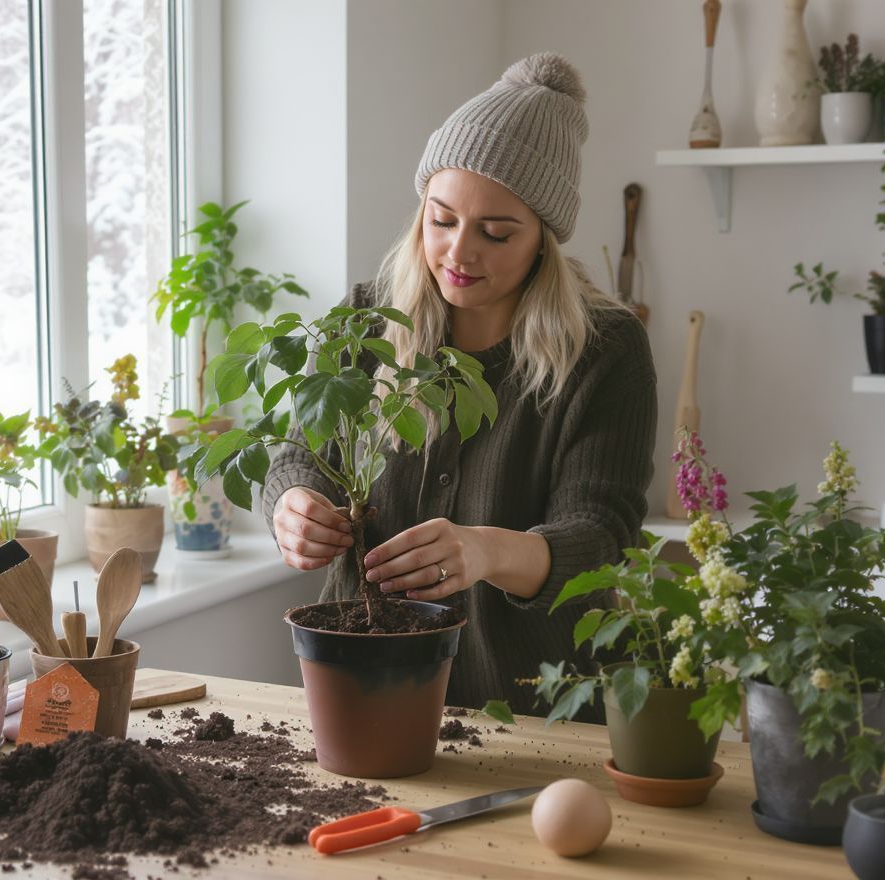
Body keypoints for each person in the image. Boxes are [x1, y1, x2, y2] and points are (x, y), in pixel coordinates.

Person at [261, 52, 656, 723]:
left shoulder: (605, 350)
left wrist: (485, 550)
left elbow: (601, 538)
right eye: (441, 220)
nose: (458, 252)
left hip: (535, 709)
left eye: (496, 232)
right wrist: (292, 503)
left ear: (542, 241)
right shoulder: (367, 319)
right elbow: (301, 452)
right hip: (362, 690)